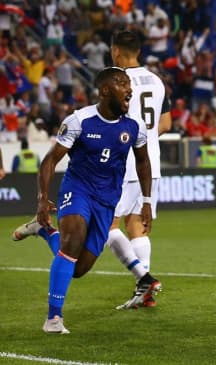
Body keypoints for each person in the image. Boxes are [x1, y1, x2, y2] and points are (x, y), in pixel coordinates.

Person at [11, 67, 152, 334]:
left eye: (129, 84)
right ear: (106, 90)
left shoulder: (135, 125)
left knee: (79, 268)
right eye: (123, 83)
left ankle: (44, 231)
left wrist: (146, 199)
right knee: (72, 243)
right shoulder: (80, 120)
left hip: (107, 200)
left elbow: (143, 162)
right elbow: (51, 160)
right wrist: (43, 199)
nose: (130, 89)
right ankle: (53, 319)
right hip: (78, 190)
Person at [104, 30, 172, 309]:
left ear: (116, 51)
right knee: (138, 227)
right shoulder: (157, 81)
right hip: (150, 163)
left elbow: (107, 121)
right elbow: (166, 125)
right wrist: (146, 137)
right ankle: (144, 294)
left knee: (106, 225)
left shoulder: (115, 80)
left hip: (123, 162)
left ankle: (144, 278)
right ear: (139, 51)